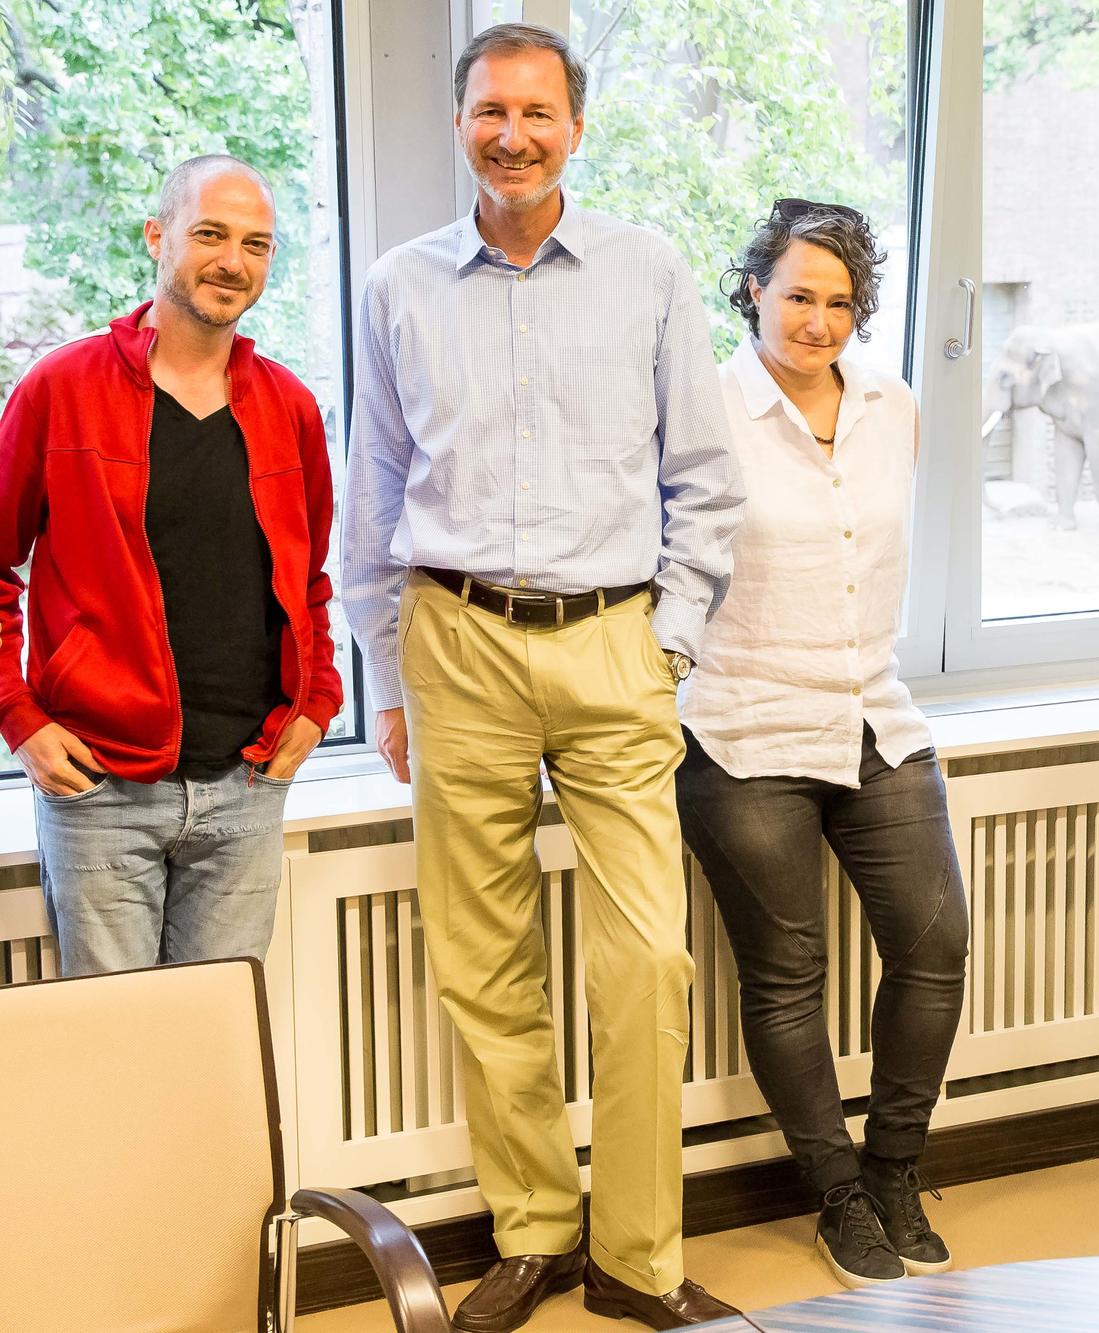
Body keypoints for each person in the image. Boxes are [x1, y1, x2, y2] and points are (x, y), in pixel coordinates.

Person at [341, 23, 743, 1332]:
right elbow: (377, 486)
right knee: (484, 958)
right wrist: (383, 676)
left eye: (536, 112)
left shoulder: (649, 271)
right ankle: (529, 1232)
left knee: (646, 960)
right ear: (459, 123)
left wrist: (667, 640)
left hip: (614, 640)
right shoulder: (400, 284)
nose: (511, 133)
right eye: (488, 111)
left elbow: (705, 480)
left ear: (576, 127)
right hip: (453, 639)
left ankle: (638, 1255)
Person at [675, 198, 969, 1290]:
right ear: (752, 288)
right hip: (741, 728)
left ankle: (896, 1168)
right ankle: (835, 1190)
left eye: (840, 302)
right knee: (787, 972)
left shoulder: (894, 404)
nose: (818, 321)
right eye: (797, 295)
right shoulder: (702, 404)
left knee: (935, 946)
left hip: (872, 714)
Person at [0, 154, 339, 977]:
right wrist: (20, 718)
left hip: (246, 785)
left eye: (256, 245)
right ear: (158, 237)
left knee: (223, 1049)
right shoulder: (60, 389)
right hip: (102, 791)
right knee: (122, 1053)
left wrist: (319, 702)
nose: (233, 261)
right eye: (210, 234)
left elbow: (309, 583)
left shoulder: (288, 406)